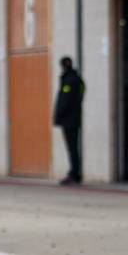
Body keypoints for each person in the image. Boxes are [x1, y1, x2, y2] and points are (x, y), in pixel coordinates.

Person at [53, 57, 85, 186]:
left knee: (72, 148)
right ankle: (75, 173)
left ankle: (74, 174)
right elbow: (80, 96)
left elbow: (65, 100)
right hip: (75, 118)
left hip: (68, 120)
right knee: (74, 148)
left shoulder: (68, 81)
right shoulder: (79, 80)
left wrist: (58, 115)